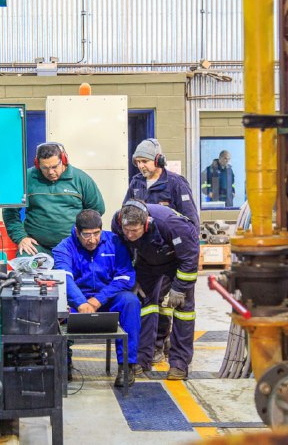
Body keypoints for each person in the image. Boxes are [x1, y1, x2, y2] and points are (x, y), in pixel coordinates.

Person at [125, 138, 199, 365]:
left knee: (174, 302)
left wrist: (188, 253)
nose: (141, 166)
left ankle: (170, 348)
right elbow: (127, 214)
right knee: (150, 302)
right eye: (137, 162)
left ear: (158, 160)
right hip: (148, 256)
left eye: (145, 161)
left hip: (174, 254)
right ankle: (156, 346)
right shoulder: (136, 183)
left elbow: (191, 224)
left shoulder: (175, 184)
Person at [111, 200, 199, 380]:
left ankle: (179, 364)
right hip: (147, 262)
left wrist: (179, 288)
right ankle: (141, 359)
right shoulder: (117, 222)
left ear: (146, 224)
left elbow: (190, 258)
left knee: (183, 311)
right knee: (144, 305)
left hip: (177, 261)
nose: (129, 235)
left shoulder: (172, 225)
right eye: (126, 230)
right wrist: (132, 278)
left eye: (134, 231)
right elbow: (123, 252)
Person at [53, 209, 140, 388]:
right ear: (77, 232)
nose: (92, 240)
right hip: (77, 302)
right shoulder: (64, 248)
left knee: (130, 302)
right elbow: (65, 278)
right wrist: (81, 302)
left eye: (96, 234)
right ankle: (64, 363)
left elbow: (125, 276)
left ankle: (126, 366)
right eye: (86, 235)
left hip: (107, 299)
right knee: (52, 306)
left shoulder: (115, 242)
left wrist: (98, 299)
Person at [4, 142, 105, 257]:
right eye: (45, 168)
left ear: (64, 160)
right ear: (37, 164)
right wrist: (21, 238)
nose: (50, 172)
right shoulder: (26, 178)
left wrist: (84, 237)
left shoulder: (81, 179)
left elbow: (96, 211)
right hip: (36, 247)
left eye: (54, 167)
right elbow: (9, 211)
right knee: (25, 266)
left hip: (73, 246)